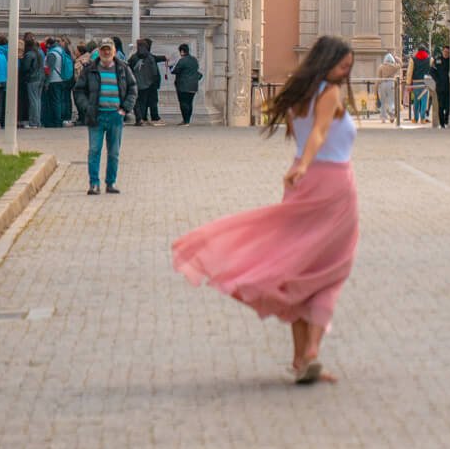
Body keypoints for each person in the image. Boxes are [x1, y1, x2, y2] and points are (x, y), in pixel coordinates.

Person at [172, 34, 361, 386]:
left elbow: (304, 133)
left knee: (298, 269)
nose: (346, 71)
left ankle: (300, 358)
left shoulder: (297, 96)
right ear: (326, 61)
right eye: (343, 65)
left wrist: (300, 168)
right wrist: (305, 163)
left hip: (300, 185)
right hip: (332, 187)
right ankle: (312, 354)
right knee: (332, 269)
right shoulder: (329, 93)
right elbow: (320, 134)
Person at [79, 37, 137, 195]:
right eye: (103, 49)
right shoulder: (90, 69)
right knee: (94, 150)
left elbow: (132, 88)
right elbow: (79, 90)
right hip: (96, 116)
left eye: (108, 49)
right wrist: (87, 107)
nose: (106, 52)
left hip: (115, 116)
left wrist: (125, 109)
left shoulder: (122, 68)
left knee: (114, 152)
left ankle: (110, 182)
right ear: (99, 51)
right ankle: (94, 183)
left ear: (114, 52)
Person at [129, 37, 161, 124]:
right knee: (143, 101)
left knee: (136, 101)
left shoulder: (134, 57)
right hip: (147, 83)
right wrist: (152, 80)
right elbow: (154, 71)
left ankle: (139, 118)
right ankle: (142, 118)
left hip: (135, 82)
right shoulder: (150, 57)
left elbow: (129, 68)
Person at [172, 43, 202, 123]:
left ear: (182, 51)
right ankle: (187, 120)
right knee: (190, 102)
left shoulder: (182, 60)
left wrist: (171, 67)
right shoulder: (194, 60)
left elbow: (175, 71)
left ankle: (185, 121)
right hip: (193, 85)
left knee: (183, 102)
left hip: (183, 85)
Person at [22, 34, 45, 129]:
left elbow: (26, 68)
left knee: (33, 101)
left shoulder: (29, 54)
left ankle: (33, 122)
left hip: (32, 78)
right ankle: (37, 121)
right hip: (40, 78)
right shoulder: (39, 53)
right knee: (38, 100)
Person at [42, 36, 66, 127]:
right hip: (61, 78)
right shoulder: (60, 50)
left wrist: (47, 82)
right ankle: (59, 119)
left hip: (53, 80)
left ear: (48, 44)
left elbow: (49, 69)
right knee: (59, 100)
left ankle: (56, 121)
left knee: (55, 101)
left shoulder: (52, 53)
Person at [409, 45, 432, 122]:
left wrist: (408, 83)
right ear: (425, 51)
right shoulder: (430, 59)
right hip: (425, 83)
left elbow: (409, 72)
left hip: (416, 83)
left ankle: (415, 118)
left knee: (416, 100)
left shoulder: (413, 59)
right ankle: (423, 118)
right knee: (424, 101)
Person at [432, 45, 450, 129]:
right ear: (442, 52)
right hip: (440, 87)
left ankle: (446, 120)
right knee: (441, 106)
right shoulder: (438, 60)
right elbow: (432, 71)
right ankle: (442, 123)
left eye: (448, 52)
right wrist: (437, 80)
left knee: (448, 106)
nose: (446, 53)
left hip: (449, 86)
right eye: (445, 52)